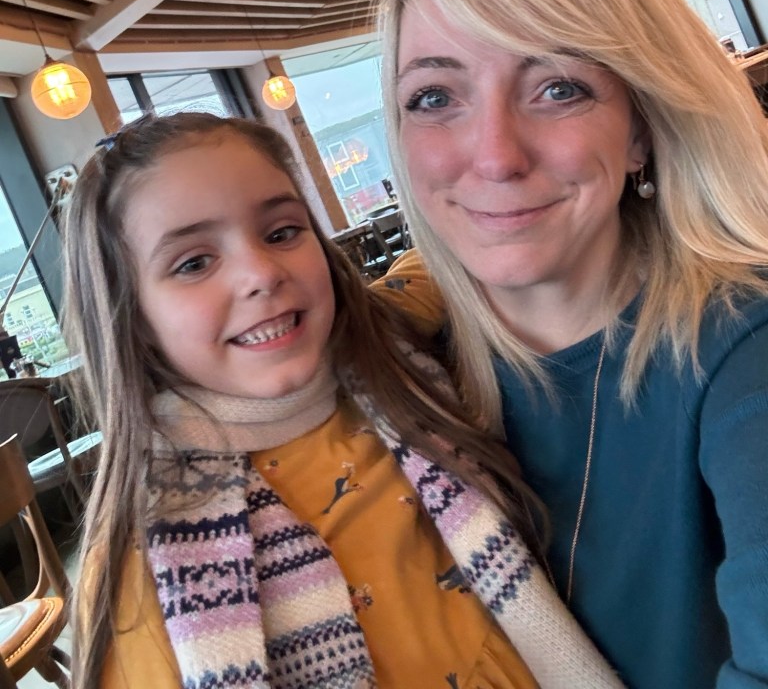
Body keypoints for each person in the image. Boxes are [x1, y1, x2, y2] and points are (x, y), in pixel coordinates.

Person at [61, 111, 622, 689]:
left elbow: (434, 262)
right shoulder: (148, 562)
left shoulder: (388, 352)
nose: (261, 273)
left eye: (281, 233)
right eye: (194, 263)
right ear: (131, 319)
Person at [376, 0, 768, 689]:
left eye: (558, 88)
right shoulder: (394, 380)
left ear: (640, 129)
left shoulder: (742, 346)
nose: (495, 156)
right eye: (435, 97)